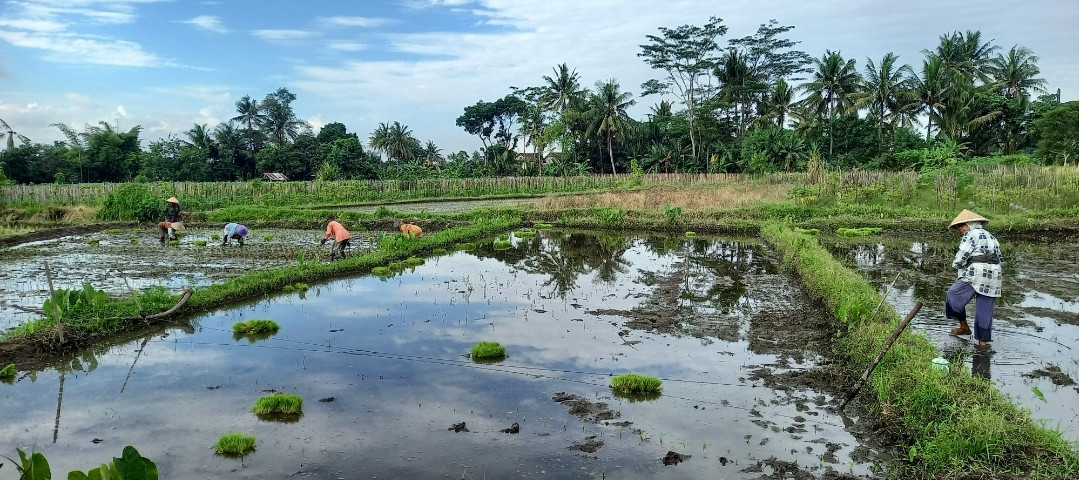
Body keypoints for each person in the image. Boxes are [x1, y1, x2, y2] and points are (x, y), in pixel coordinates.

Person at [945, 209, 1004, 348]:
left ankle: (964, 326)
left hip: (976, 273)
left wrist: (957, 265)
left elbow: (960, 258)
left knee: (953, 295)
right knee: (985, 310)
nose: (960, 229)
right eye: (959, 226)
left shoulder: (970, 235)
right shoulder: (991, 236)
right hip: (994, 275)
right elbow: (1000, 259)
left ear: (970, 224)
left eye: (962, 225)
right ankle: (982, 345)